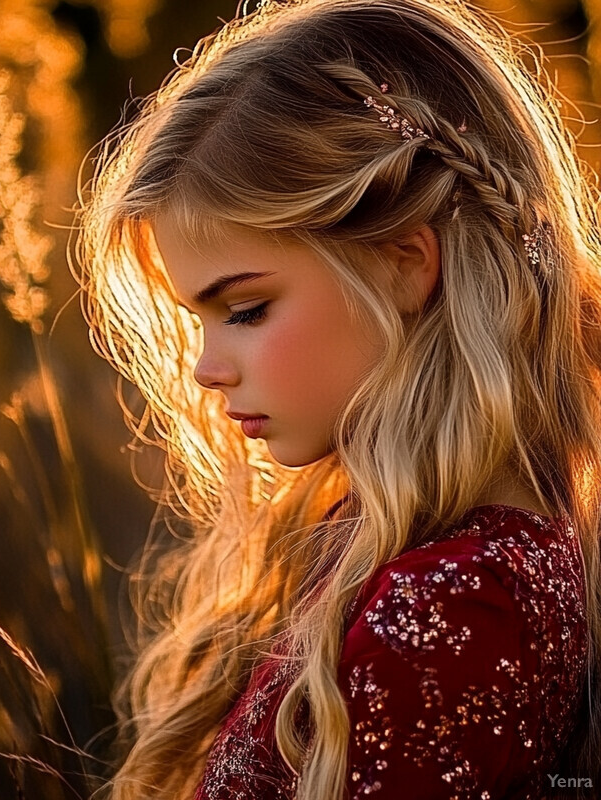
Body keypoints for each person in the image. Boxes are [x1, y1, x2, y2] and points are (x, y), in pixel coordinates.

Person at [71, 0, 601, 797]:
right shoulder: (393, 545)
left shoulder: (450, 608)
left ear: (402, 264)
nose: (206, 369)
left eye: (245, 310)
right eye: (200, 320)